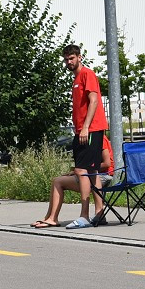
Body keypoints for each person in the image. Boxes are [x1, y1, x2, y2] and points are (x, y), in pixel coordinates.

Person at [35, 44, 110, 229]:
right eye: (66, 59)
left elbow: (94, 101)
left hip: (90, 130)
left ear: (79, 57)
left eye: (72, 58)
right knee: (91, 172)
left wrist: (85, 128)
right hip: (82, 131)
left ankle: (84, 216)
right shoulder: (76, 78)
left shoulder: (87, 74)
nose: (69, 62)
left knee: (82, 171)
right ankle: (99, 214)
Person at [32, 135, 114, 228]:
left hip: (103, 176)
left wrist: (83, 169)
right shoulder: (91, 137)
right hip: (91, 174)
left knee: (57, 182)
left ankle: (53, 218)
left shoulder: (99, 138)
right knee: (57, 180)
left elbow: (107, 163)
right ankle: (48, 217)